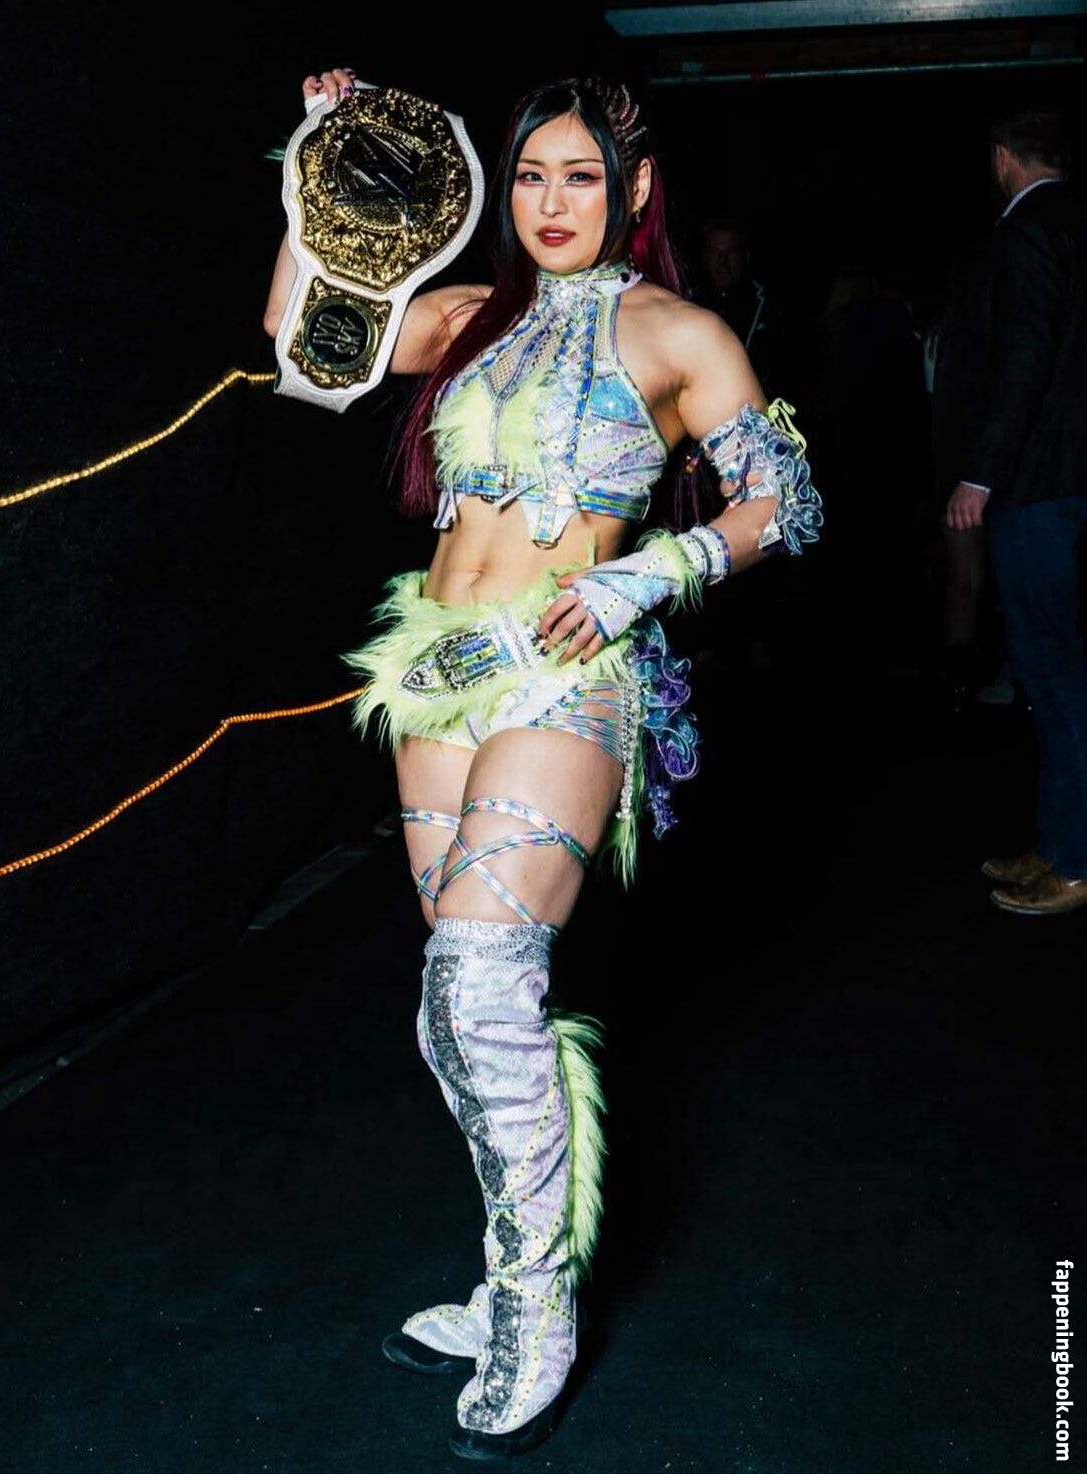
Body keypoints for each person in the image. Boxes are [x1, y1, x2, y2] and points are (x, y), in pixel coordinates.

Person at [265, 68, 821, 1459]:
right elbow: (303, 346)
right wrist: (325, 160)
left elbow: (788, 500)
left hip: (567, 669)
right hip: (436, 667)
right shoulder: (470, 316)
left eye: (581, 176)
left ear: (635, 189)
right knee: (465, 1018)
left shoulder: (678, 331)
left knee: (478, 986)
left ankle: (533, 1305)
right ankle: (524, 1260)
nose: (552, 202)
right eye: (529, 176)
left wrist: (656, 573)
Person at [936, 106, 1087, 916]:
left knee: (1052, 672)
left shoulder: (1026, 231)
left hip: (1037, 487)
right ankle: (1058, 842)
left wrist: (980, 475)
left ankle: (1072, 860)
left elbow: (1024, 359)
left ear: (1001, 158)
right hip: (1069, 483)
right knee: (1060, 669)